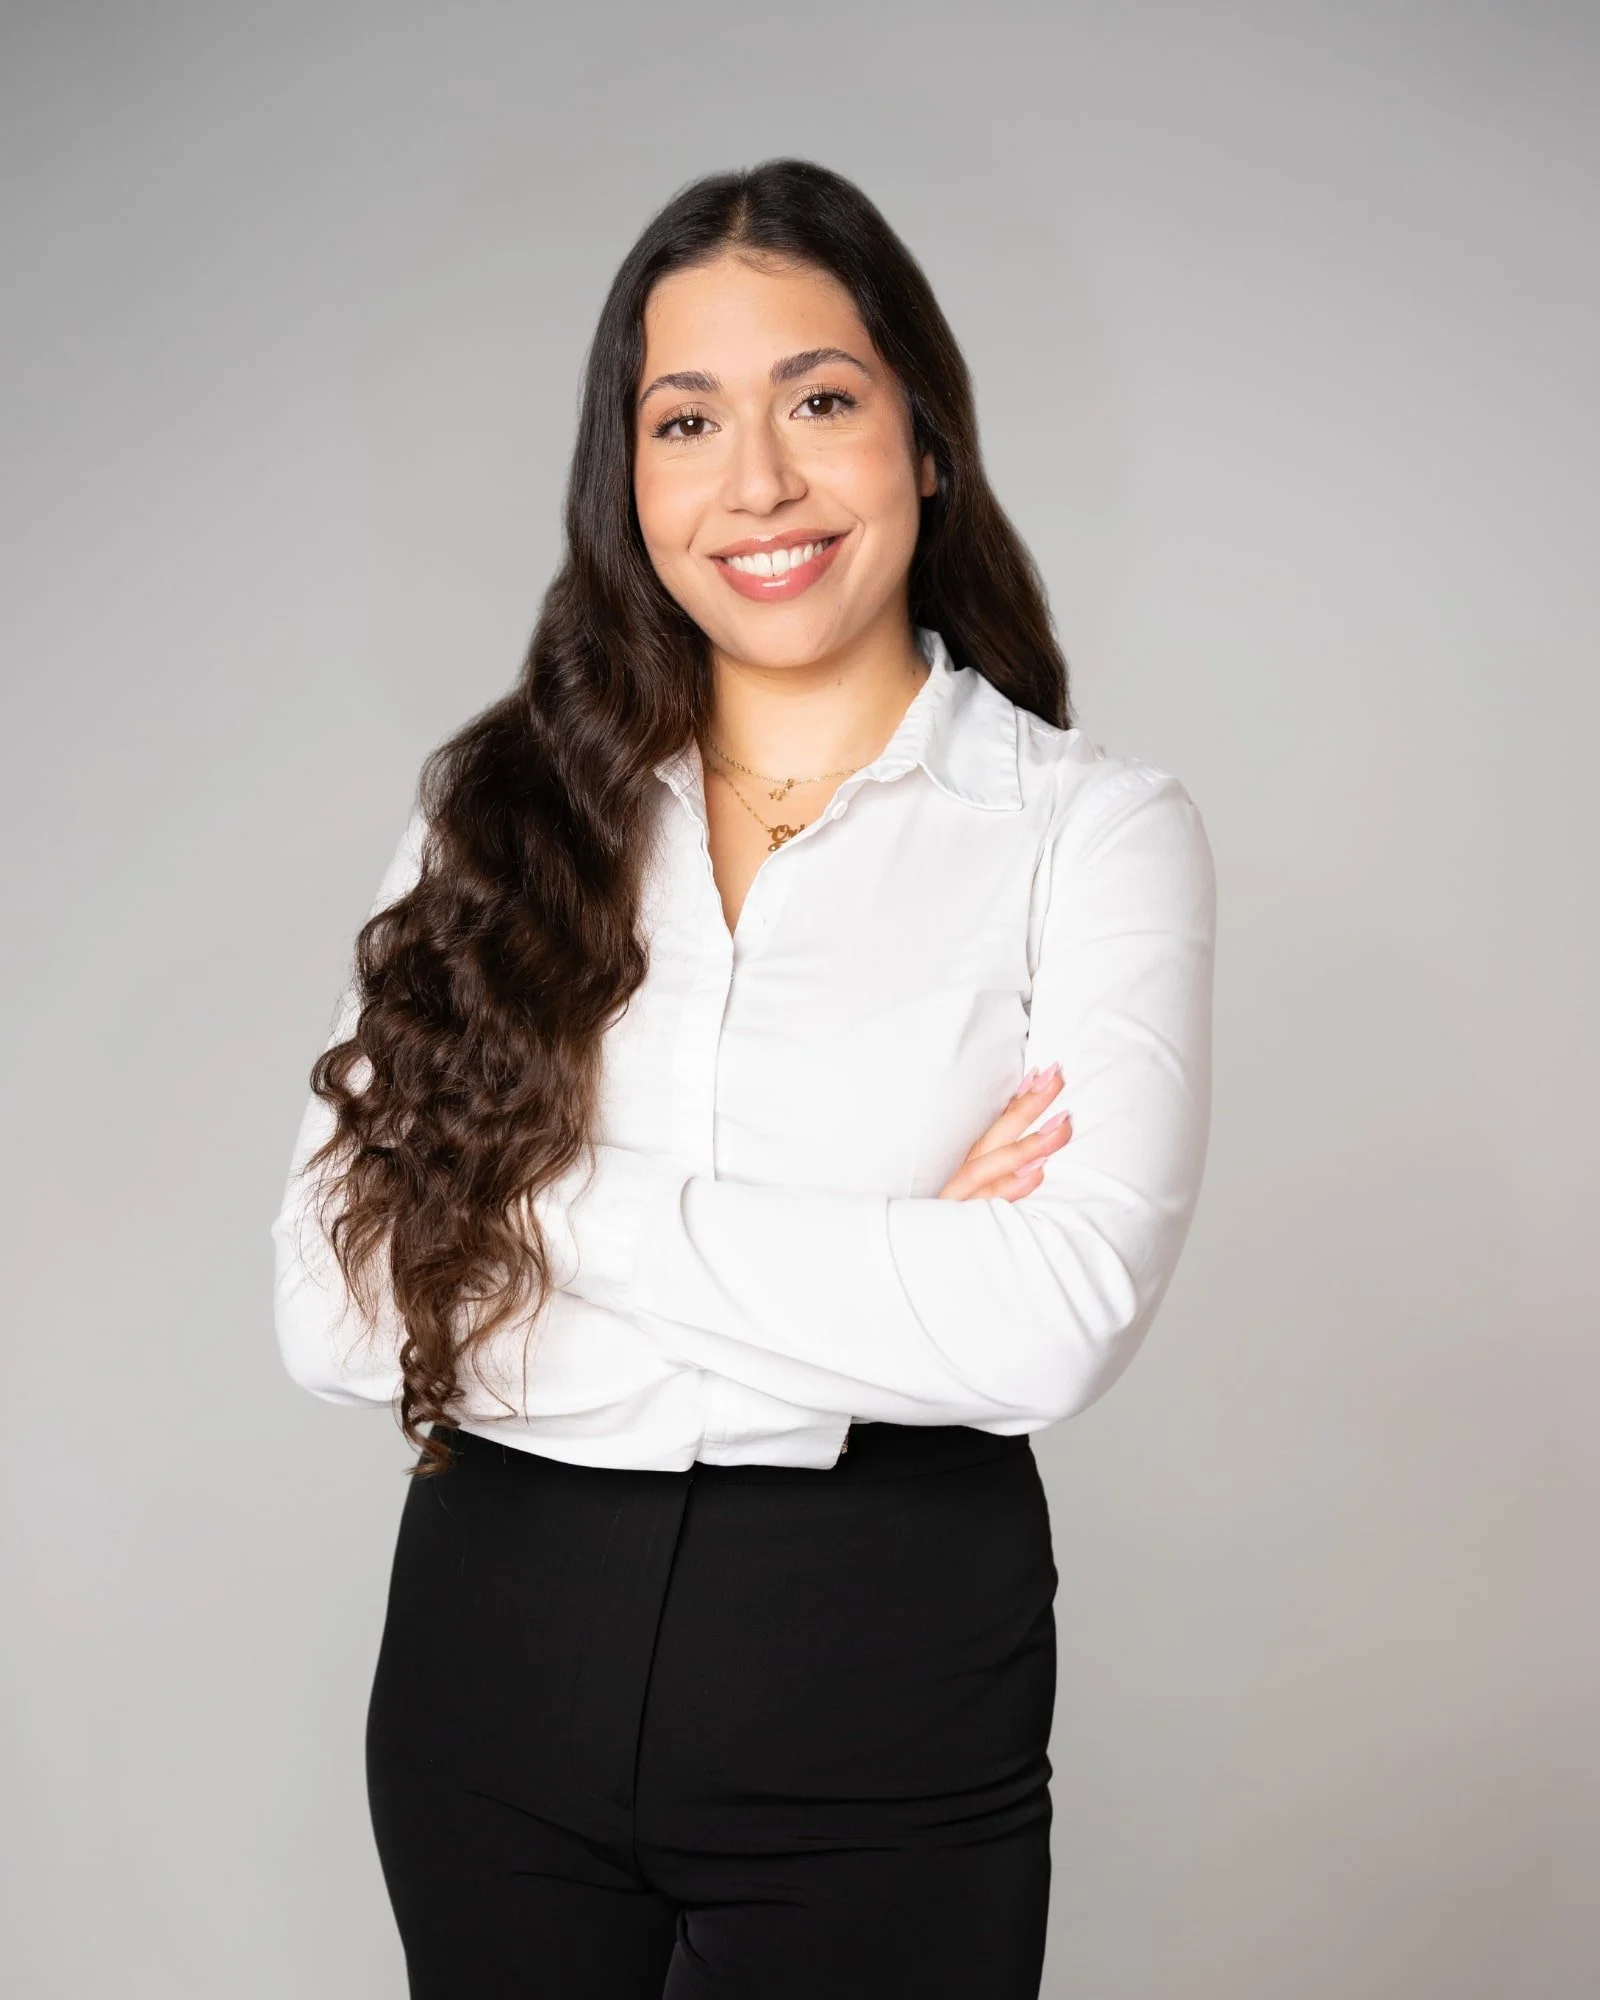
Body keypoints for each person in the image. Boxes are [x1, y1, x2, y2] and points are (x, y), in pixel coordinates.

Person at [272, 156, 1215, 1999]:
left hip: (875, 1673)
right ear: (628, 484)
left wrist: (523, 1193)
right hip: (489, 1666)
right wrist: (875, 1275)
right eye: (686, 418)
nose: (758, 479)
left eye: (822, 400)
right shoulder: (494, 819)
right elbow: (333, 1312)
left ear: (925, 441)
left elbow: (1047, 1324)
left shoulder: (1087, 835)